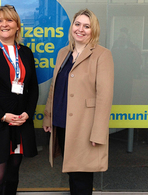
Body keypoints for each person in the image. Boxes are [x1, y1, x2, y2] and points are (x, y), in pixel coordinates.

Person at [43, 8, 114, 195]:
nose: (80, 29)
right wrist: (48, 116)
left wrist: (98, 133)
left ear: (94, 30)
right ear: (72, 26)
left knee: (81, 176)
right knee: (72, 172)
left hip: (85, 126)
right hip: (63, 122)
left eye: (87, 26)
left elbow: (104, 97)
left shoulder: (102, 55)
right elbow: (54, 88)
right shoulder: (63, 53)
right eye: (77, 24)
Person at [0, 5, 39, 195]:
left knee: (12, 173)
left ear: (17, 26)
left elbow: (33, 87)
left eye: (9, 20)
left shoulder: (25, 52)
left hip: (20, 120)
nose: (4, 24)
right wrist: (3, 116)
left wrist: (28, 113)